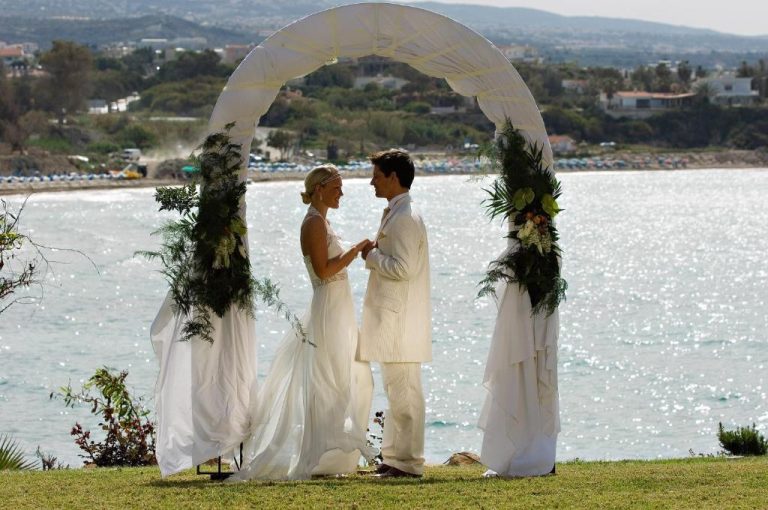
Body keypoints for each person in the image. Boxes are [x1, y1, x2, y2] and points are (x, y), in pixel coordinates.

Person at [231, 165, 374, 481]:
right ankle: (317, 453)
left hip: (339, 308)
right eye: (337, 187)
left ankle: (330, 453)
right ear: (320, 189)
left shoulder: (321, 221)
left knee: (342, 377)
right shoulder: (312, 223)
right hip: (328, 308)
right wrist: (356, 249)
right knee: (328, 379)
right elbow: (323, 271)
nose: (342, 193)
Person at [359, 149, 432, 478]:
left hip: (400, 319)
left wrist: (371, 257)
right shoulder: (397, 212)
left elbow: (403, 268)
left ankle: (408, 462)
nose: (371, 181)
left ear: (393, 177)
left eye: (376, 175)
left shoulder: (404, 217)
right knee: (396, 389)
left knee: (405, 391)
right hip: (393, 317)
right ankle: (394, 458)